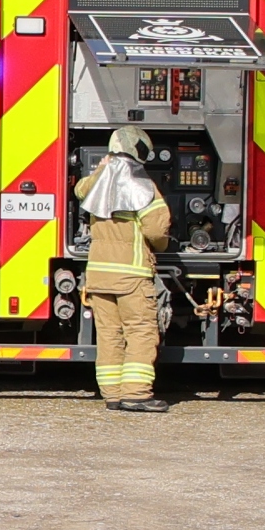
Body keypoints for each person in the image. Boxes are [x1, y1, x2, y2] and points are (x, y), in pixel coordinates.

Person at [76, 126, 172, 413]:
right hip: (131, 274)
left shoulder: (96, 183)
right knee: (141, 331)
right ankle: (137, 393)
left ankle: (113, 394)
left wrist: (100, 169)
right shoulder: (141, 184)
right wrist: (162, 245)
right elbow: (156, 229)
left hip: (98, 275)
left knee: (109, 334)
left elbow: (80, 189)